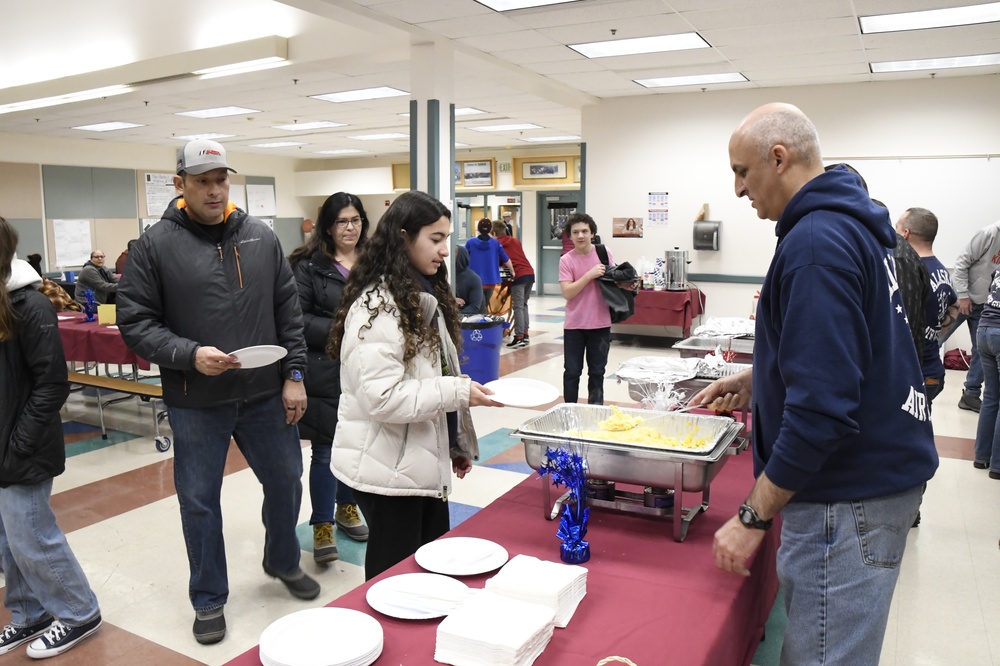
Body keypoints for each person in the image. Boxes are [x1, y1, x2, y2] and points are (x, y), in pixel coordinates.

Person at [691, 103, 938, 666]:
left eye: (742, 172)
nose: (736, 189)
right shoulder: (852, 225)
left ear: (778, 159)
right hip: (877, 486)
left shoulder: (815, 243)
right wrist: (765, 376)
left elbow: (823, 411)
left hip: (846, 500)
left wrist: (753, 517)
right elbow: (860, 350)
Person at [116, 139, 317, 646]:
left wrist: (294, 374)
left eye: (221, 179)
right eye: (202, 180)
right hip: (196, 398)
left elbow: (287, 311)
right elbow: (136, 324)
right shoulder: (154, 246)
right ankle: (208, 598)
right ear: (180, 183)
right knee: (200, 500)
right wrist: (188, 354)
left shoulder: (259, 237)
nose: (214, 189)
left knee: (288, 479)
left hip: (264, 394)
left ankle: (282, 560)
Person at [328, 190, 499, 581]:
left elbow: (429, 376)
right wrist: (457, 392)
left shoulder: (419, 295)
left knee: (430, 570)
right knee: (397, 579)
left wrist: (451, 441)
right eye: (435, 239)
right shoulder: (379, 306)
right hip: (385, 470)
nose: (444, 250)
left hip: (413, 462)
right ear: (403, 238)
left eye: (446, 239)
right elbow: (383, 399)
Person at [0, 217, 103, 658]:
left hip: (24, 445)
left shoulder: (31, 306)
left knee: (33, 535)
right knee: (8, 538)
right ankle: (28, 614)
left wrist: (19, 443)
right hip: (4, 443)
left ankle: (79, 611)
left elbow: (51, 384)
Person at [288, 191, 371, 565]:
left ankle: (347, 507)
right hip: (324, 367)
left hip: (366, 368)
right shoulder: (307, 265)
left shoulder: (373, 261)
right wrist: (347, 328)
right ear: (328, 225)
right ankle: (321, 522)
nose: (350, 228)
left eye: (355, 220)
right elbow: (297, 320)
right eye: (342, 221)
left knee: (356, 444)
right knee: (325, 450)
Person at [896, 207, 958, 404]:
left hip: (915, 373)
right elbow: (954, 306)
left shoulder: (910, 272)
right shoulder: (942, 270)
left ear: (905, 234)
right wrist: (934, 334)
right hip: (932, 368)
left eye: (896, 227)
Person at [559, 212, 622, 405]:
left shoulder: (604, 253)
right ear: (569, 236)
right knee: (572, 372)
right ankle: (569, 410)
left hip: (600, 324)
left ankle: (596, 412)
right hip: (575, 325)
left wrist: (627, 284)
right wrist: (588, 275)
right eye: (575, 232)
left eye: (584, 231)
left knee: (597, 372)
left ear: (592, 233)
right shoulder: (566, 260)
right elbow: (568, 292)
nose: (580, 236)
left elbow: (613, 281)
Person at [942, 220, 1000, 413]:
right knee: (934, 340)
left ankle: (970, 395)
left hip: (985, 304)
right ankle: (918, 382)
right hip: (961, 300)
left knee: (981, 351)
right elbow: (961, 264)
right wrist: (964, 295)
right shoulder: (990, 233)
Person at [974, 267, 1000, 478]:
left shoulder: (998, 268)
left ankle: (981, 457)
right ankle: (998, 465)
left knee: (990, 396)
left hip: (983, 329)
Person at [492, 220, 535, 348]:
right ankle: (525, 334)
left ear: (494, 233)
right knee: (523, 305)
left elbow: (500, 261)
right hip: (530, 273)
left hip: (518, 276)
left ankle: (519, 336)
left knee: (518, 307)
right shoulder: (515, 241)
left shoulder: (497, 244)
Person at [465, 218, 512, 308]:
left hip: (475, 280)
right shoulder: (496, 243)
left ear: (478, 229)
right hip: (491, 280)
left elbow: (463, 258)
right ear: (490, 229)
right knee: (484, 305)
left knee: (480, 307)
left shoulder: (470, 243)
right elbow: (506, 259)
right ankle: (484, 320)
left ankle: (482, 321)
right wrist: (512, 271)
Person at [454, 245, 484, 315]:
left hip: (466, 319)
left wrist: (455, 315)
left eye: (453, 254)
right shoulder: (445, 275)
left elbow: (474, 307)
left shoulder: (474, 278)